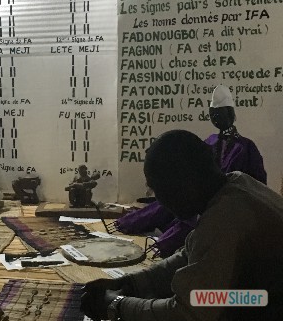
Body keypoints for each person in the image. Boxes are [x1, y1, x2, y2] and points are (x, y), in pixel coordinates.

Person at [81, 130, 283, 321]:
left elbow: (185, 313)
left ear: (184, 186)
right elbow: (192, 255)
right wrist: (130, 284)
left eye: (158, 189)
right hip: (254, 298)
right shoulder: (237, 184)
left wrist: (116, 305)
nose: (159, 200)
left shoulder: (225, 220)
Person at [114, 85, 267, 257]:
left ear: (230, 113)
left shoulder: (246, 148)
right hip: (199, 197)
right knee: (164, 206)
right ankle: (127, 227)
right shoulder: (210, 141)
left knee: (189, 222)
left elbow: (257, 183)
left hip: (225, 203)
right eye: (212, 113)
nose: (215, 117)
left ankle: (161, 245)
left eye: (220, 112)